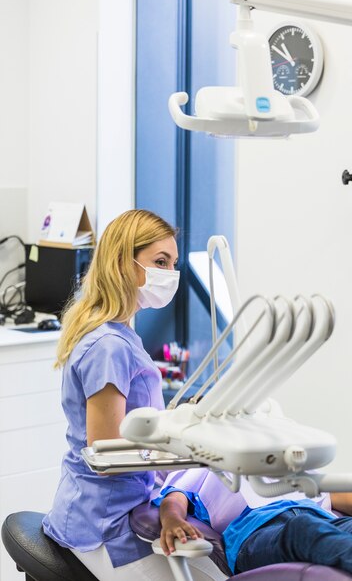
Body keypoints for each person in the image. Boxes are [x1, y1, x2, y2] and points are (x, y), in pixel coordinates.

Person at [42, 210, 220, 581]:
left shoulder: (118, 333)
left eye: (173, 263)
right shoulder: (109, 345)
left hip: (120, 508)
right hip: (103, 524)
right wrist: (185, 447)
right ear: (124, 262)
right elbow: (107, 450)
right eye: (160, 262)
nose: (170, 274)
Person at [152, 468, 352, 581]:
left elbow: (335, 494)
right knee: (303, 530)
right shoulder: (205, 465)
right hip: (256, 533)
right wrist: (172, 520)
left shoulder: (279, 460)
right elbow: (174, 500)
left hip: (323, 521)